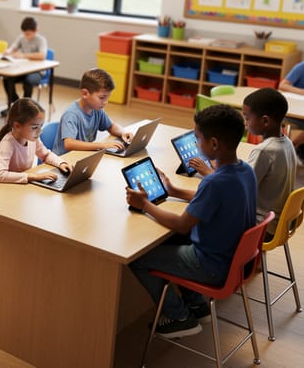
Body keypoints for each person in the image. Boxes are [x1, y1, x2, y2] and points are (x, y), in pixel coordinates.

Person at [126, 104, 256, 338]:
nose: (196, 145)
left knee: (137, 259)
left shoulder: (214, 182)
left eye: (198, 139)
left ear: (214, 144)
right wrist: (174, 190)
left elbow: (182, 224)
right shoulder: (245, 171)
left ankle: (179, 317)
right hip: (232, 260)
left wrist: (145, 205)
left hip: (212, 266)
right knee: (176, 241)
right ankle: (197, 305)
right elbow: (210, 200)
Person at [190, 88, 295, 238]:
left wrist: (208, 172)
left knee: (202, 217)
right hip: (278, 222)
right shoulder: (287, 143)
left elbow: (234, 188)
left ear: (265, 120)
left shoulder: (264, 151)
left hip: (259, 225)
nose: (245, 124)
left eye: (247, 118)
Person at [0, 98, 71, 185]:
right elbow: (0, 175)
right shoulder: (7, 144)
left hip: (16, 187)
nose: (39, 131)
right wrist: (35, 177)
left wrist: (61, 163)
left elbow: (46, 155)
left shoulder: (32, 139)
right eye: (35, 127)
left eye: (41, 126)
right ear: (17, 126)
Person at [52, 68, 132, 155]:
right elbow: (69, 144)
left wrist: (123, 132)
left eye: (107, 98)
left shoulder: (97, 109)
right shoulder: (71, 114)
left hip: (83, 156)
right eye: (102, 97)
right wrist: (102, 145)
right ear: (85, 93)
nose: (105, 102)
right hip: (64, 161)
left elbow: (111, 126)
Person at [0, 17, 48, 117]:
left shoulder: (41, 40)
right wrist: (8, 52)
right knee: (7, 78)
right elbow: (13, 47)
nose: (27, 36)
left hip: (37, 71)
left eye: (29, 34)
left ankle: (26, 110)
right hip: (23, 69)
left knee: (28, 81)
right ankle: (15, 106)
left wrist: (23, 55)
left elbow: (42, 55)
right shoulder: (21, 37)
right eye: (25, 33)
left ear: (36, 30)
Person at [277, 61, 304, 159]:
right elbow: (282, 85)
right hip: (294, 113)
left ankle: (293, 147)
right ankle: (292, 147)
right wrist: (302, 92)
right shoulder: (301, 67)